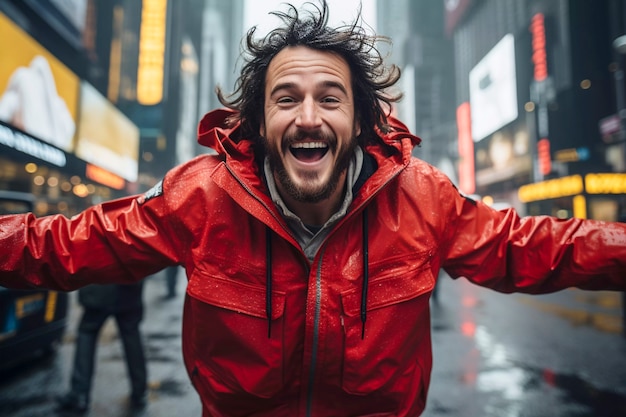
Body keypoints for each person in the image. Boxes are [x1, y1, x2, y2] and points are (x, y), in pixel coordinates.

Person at [1, 1, 626, 415]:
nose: (307, 117)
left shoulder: (423, 196)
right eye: (285, 98)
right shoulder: (200, 196)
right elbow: (57, 244)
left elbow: (542, 245)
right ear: (258, 120)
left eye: (330, 98)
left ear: (359, 123)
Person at [56, 282, 148, 414]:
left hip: (99, 287)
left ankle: (79, 394)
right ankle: (140, 391)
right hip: (129, 287)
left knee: (87, 332)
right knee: (132, 336)